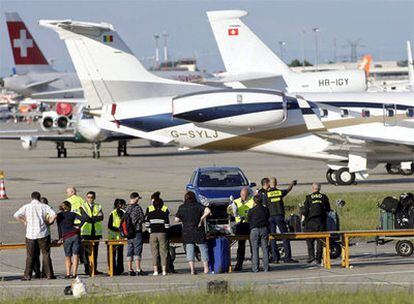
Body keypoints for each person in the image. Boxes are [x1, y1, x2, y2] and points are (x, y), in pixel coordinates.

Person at [13, 191, 57, 280]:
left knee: (30, 255)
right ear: (39, 197)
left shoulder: (26, 206)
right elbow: (54, 215)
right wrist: (49, 222)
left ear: (31, 198)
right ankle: (49, 274)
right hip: (43, 233)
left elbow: (16, 215)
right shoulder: (44, 206)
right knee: (46, 254)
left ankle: (27, 275)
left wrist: (24, 221)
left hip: (30, 234)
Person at [175, 191, 211, 275]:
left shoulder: (182, 207)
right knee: (203, 249)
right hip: (198, 230)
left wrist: (183, 220)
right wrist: (202, 218)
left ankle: (192, 270)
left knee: (190, 250)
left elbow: (176, 220)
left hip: (187, 231)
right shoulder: (198, 205)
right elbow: (208, 210)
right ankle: (206, 268)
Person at [267, 177, 298, 263]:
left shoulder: (266, 194)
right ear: (276, 183)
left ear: (269, 184)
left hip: (271, 217)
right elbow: (288, 190)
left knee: (272, 237)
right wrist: (292, 183)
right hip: (280, 216)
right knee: (284, 236)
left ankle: (275, 258)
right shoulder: (279, 192)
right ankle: (287, 258)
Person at [303, 183, 331, 264]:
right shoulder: (324, 197)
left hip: (311, 222)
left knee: (309, 240)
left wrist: (303, 220)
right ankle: (318, 258)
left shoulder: (308, 197)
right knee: (320, 241)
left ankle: (311, 256)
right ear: (320, 188)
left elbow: (305, 211)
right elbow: (328, 209)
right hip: (321, 222)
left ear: (312, 188)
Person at [57, 201, 84, 278]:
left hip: (66, 236)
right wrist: (78, 226)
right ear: (69, 207)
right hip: (75, 235)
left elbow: (59, 228)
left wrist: (60, 238)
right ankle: (74, 274)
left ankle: (68, 274)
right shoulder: (73, 214)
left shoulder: (59, 215)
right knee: (75, 255)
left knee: (68, 256)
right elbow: (83, 218)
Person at [145, 192, 170, 276]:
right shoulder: (164, 210)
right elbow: (167, 224)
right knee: (164, 252)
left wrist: (149, 230)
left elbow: (147, 223)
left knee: (154, 252)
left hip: (153, 233)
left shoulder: (150, 210)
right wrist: (167, 232)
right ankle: (164, 270)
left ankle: (155, 270)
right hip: (162, 233)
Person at [79, 191, 104, 276]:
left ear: (94, 198)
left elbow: (101, 217)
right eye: (88, 197)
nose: (90, 199)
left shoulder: (98, 206)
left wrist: (92, 218)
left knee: (95, 252)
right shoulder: (83, 206)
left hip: (95, 232)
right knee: (86, 252)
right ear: (86, 198)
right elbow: (86, 218)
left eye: (91, 197)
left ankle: (94, 269)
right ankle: (87, 269)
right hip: (86, 232)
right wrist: (95, 217)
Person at [230, 187, 254, 271]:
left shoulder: (252, 201)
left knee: (253, 246)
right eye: (243, 195)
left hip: (249, 225)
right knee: (241, 246)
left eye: (246, 195)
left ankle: (255, 264)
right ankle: (239, 264)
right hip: (240, 225)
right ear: (240, 194)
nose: (244, 197)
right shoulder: (236, 202)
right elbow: (230, 212)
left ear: (248, 195)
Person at [123, 192, 146, 276]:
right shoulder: (137, 208)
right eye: (138, 199)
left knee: (129, 249)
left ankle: (129, 269)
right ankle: (138, 269)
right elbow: (142, 218)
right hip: (136, 231)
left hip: (128, 232)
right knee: (137, 249)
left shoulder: (126, 208)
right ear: (136, 198)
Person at [248, 195, 270, 272]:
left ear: (254, 201)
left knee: (255, 249)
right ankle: (266, 268)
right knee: (265, 249)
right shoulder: (266, 210)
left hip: (254, 230)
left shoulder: (251, 210)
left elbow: (249, 220)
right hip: (264, 229)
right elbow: (268, 218)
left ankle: (255, 268)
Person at [32, 197, 53, 278]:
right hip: (44, 235)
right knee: (44, 254)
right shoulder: (47, 210)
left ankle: (41, 272)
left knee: (38, 254)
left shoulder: (44, 210)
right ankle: (42, 272)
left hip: (37, 235)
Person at [107, 198, 126, 275]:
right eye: (124, 205)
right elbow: (109, 225)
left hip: (120, 236)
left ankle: (119, 270)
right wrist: (118, 229)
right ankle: (113, 269)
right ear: (120, 205)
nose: (125, 206)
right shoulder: (113, 213)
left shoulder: (124, 213)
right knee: (112, 254)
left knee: (120, 254)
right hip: (114, 236)